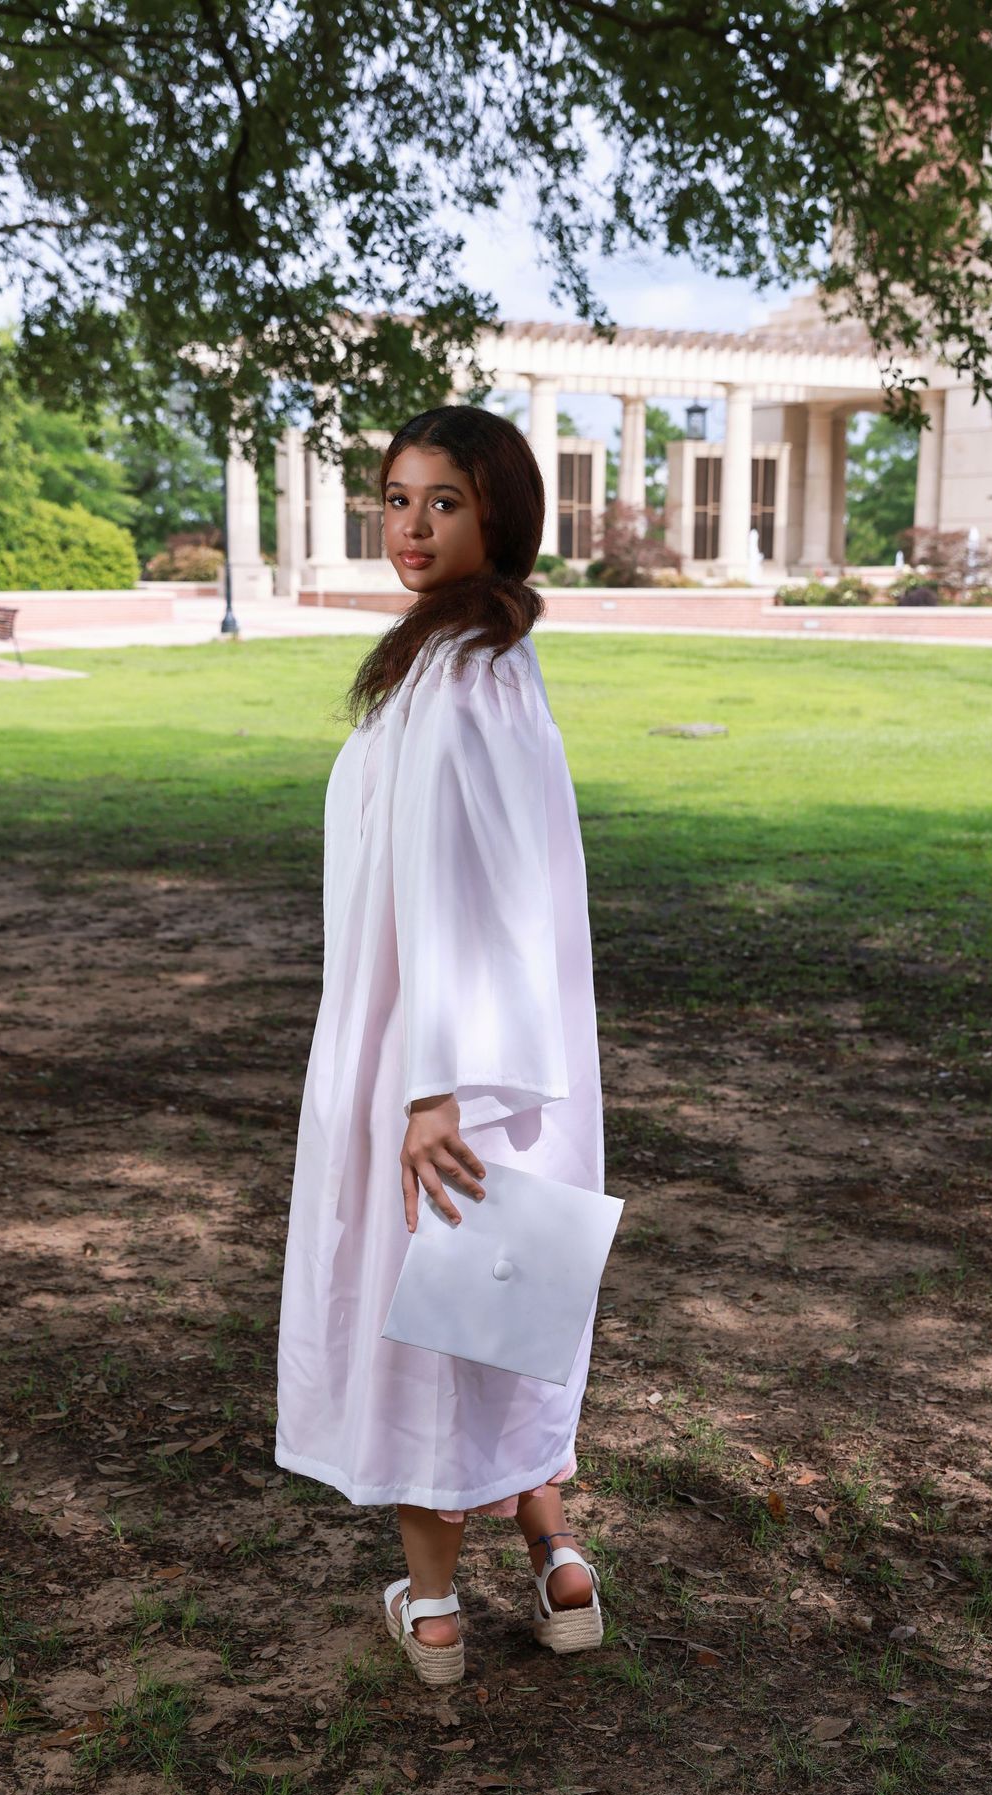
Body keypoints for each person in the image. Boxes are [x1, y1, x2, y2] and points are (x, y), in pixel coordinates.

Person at [274, 403, 606, 1684]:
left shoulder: (461, 675)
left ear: (499, 514)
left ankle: (435, 1608)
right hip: (484, 1047)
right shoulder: (479, 659)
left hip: (439, 1053)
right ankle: (559, 1567)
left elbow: (455, 881)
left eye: (443, 503)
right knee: (501, 1304)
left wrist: (431, 1085)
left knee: (435, 1317)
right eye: (396, 499)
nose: (410, 526)